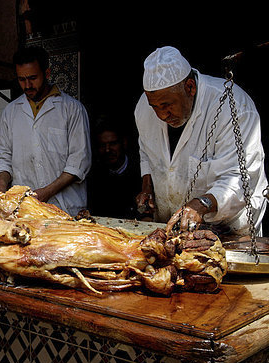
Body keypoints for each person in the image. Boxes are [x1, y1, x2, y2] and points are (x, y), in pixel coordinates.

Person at [134, 46, 267, 235]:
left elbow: (240, 177)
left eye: (167, 105)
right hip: (173, 226)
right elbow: (146, 151)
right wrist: (147, 187)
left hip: (230, 228)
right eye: (155, 107)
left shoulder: (233, 105)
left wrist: (201, 205)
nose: (162, 114)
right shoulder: (144, 107)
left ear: (190, 87)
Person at [0, 45, 92, 216]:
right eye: (21, 79)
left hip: (66, 206)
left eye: (32, 78)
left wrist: (46, 192)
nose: (27, 85)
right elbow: (4, 157)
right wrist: (1, 188)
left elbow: (79, 162)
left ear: (46, 74)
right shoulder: (10, 112)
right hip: (25, 209)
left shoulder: (72, 109)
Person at [87, 118, 141, 219]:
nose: (107, 150)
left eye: (113, 144)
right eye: (103, 145)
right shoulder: (95, 174)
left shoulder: (140, 171)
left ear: (124, 143)